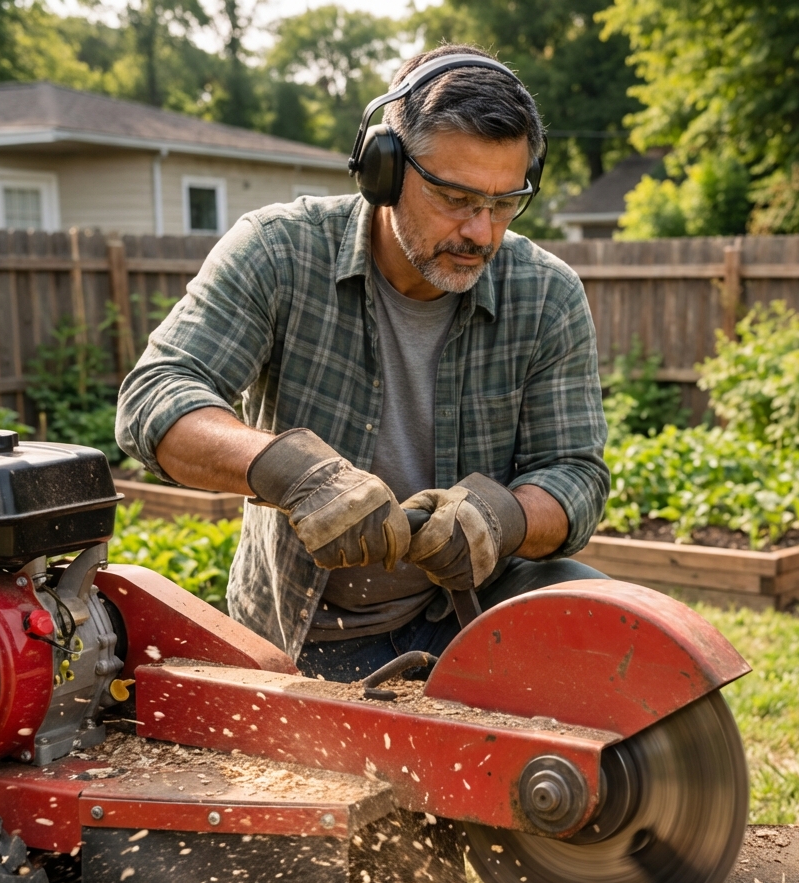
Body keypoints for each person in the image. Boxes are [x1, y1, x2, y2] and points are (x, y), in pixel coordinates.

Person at [116, 44, 610, 681]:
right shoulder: (279, 252)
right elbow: (155, 397)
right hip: (308, 631)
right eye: (457, 198)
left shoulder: (547, 294)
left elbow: (575, 474)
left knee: (610, 630)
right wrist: (292, 473)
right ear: (384, 169)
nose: (482, 233)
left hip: (468, 612)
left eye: (503, 202)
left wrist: (504, 518)